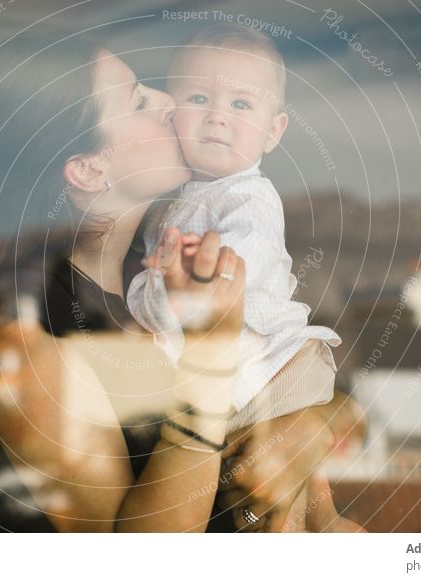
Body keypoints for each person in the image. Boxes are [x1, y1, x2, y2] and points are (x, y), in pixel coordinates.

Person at [0, 32, 364, 532]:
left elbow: (294, 375)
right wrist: (208, 367)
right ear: (89, 169)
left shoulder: (158, 263)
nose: (169, 102)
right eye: (139, 100)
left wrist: (312, 422)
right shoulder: (39, 341)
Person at [128, 24, 341, 427]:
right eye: (199, 98)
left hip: (273, 371)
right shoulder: (164, 208)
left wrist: (184, 271)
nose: (216, 117)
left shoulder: (251, 196)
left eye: (241, 105)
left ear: (273, 132)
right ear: (173, 113)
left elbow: (242, 262)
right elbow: (154, 305)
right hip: (218, 382)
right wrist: (155, 285)